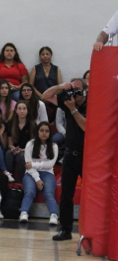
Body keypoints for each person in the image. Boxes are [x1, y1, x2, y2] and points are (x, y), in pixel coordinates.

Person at [43, 78, 87, 241]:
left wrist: (73, 109)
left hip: (86, 157)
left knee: (90, 194)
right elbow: (47, 96)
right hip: (70, 154)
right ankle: (66, 230)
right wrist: (61, 86)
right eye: (73, 88)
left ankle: (88, 229)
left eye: (78, 89)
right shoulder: (68, 102)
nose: (74, 93)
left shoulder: (90, 104)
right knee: (66, 194)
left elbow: (86, 126)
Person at [19, 121, 59, 225]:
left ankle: (53, 215)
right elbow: (28, 166)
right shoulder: (30, 144)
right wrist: (38, 179)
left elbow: (49, 164)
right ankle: (24, 213)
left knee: (49, 194)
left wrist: (34, 165)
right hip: (31, 174)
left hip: (48, 173)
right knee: (29, 192)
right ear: (37, 132)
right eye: (41, 130)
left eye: (46, 131)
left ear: (50, 133)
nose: (44, 133)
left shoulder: (54, 146)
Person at [5, 101, 36, 181]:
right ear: (15, 110)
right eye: (19, 109)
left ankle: (23, 179)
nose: (22, 111)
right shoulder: (11, 123)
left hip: (27, 150)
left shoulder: (32, 124)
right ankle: (9, 176)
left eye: (24, 109)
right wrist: (12, 148)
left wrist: (22, 150)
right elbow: (10, 142)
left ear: (28, 110)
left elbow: (33, 145)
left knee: (21, 156)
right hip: (15, 149)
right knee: (8, 153)